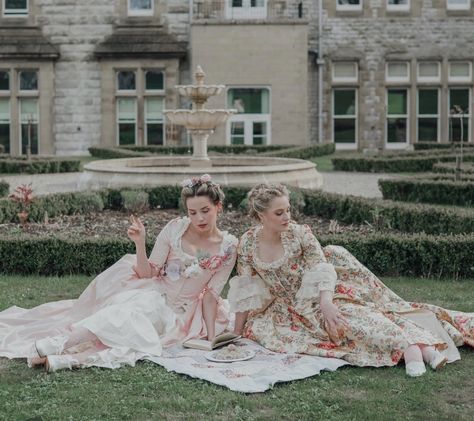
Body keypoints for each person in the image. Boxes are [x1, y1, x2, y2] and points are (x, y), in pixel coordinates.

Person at [228, 183, 474, 377]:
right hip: (284, 313)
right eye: (279, 213)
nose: (287, 217)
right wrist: (237, 333)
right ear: (261, 215)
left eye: (288, 210)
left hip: (319, 297)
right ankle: (417, 349)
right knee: (336, 336)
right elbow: (245, 290)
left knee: (359, 321)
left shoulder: (299, 233)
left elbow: (321, 267)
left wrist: (326, 302)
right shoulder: (248, 243)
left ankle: (417, 349)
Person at [0, 174, 237, 372]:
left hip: (182, 314)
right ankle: (58, 344)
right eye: (193, 212)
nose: (199, 218)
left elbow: (210, 295)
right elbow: (147, 274)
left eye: (205, 210)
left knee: (142, 337)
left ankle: (70, 360)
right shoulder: (175, 228)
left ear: (219, 206)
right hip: (154, 293)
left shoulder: (228, 247)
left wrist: (211, 335)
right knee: (128, 314)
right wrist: (140, 243)